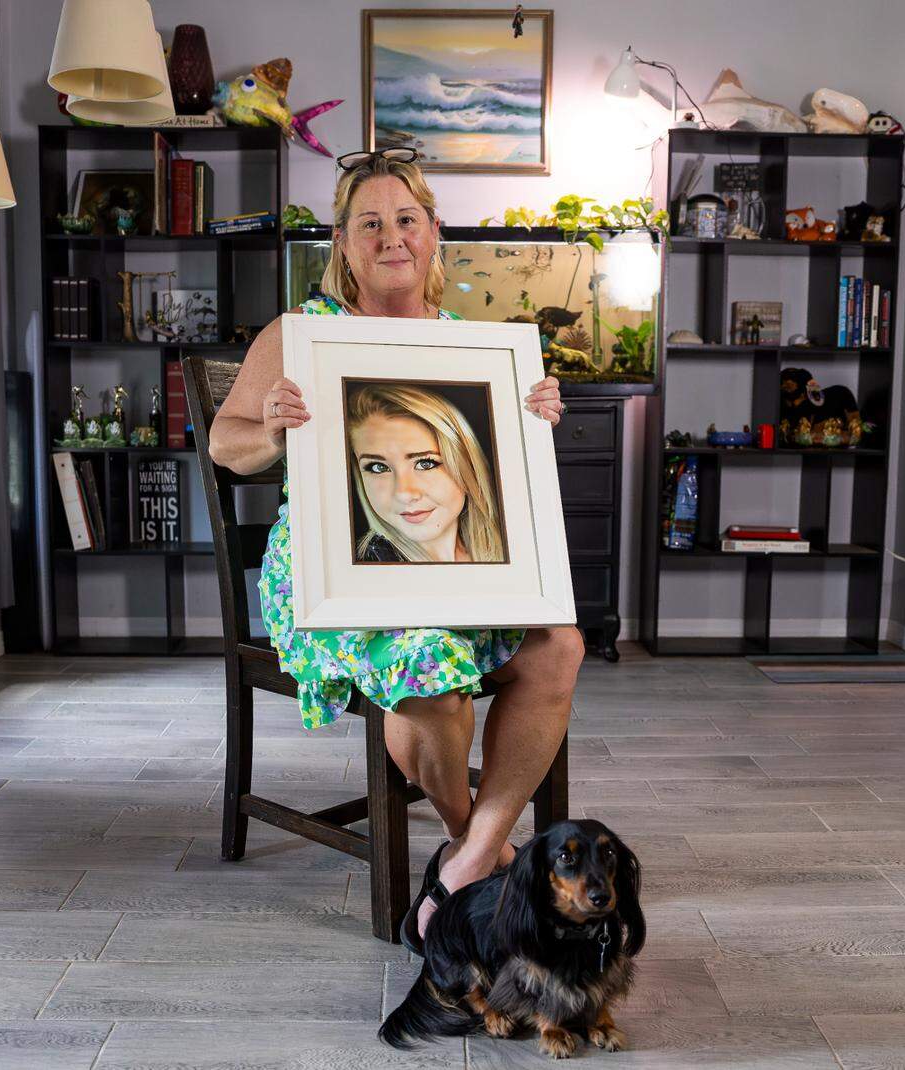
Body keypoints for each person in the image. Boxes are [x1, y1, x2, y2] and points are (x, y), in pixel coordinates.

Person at [208, 147, 584, 948]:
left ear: (433, 232)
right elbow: (222, 443)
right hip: (336, 573)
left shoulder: (469, 345)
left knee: (559, 645)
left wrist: (532, 415)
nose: (392, 238)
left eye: (406, 220)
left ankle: (465, 861)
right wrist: (270, 428)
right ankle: (485, 848)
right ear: (342, 243)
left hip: (451, 567)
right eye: (370, 224)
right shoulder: (301, 334)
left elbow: (491, 478)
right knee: (426, 665)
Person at [347, 382, 505, 564]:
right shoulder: (360, 573)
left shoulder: (516, 548)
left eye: (425, 463)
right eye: (378, 467)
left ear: (466, 464)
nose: (404, 494)